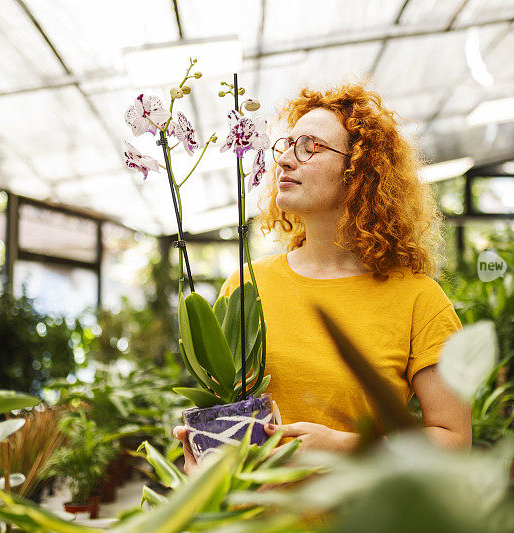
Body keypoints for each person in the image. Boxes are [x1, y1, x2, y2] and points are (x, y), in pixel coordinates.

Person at [174, 83, 471, 474]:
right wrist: (203, 460)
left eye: (309, 147)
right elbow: (222, 415)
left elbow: (454, 440)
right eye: (286, 145)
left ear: (359, 172)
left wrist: (344, 446)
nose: (283, 161)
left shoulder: (418, 299)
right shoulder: (246, 286)